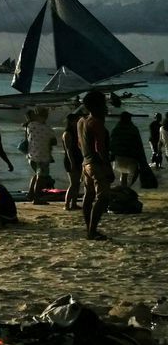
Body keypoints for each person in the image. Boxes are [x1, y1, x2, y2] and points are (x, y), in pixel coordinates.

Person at [78, 89, 113, 241]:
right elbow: (100, 148)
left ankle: (89, 229)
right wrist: (108, 168)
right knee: (103, 197)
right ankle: (92, 231)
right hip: (96, 165)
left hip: (85, 163)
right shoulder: (97, 122)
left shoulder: (82, 121)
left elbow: (80, 144)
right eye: (104, 104)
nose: (106, 107)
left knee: (89, 195)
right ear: (97, 106)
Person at [25, 107, 57, 203]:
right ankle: (36, 198)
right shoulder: (47, 129)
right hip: (43, 156)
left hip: (31, 155)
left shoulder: (30, 126)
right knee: (41, 178)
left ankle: (30, 194)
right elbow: (54, 141)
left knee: (36, 175)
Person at [108, 111, 144, 188]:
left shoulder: (116, 129)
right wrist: (140, 157)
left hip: (119, 157)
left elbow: (112, 143)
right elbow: (138, 144)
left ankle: (123, 187)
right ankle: (127, 188)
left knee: (123, 173)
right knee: (135, 173)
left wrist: (112, 155)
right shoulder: (133, 129)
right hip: (130, 156)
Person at [60, 111, 83, 211]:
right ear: (71, 122)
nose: (78, 122)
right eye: (76, 121)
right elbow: (68, 149)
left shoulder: (77, 132)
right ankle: (66, 204)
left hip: (78, 158)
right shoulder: (67, 134)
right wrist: (72, 162)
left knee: (78, 183)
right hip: (71, 159)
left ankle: (74, 203)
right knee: (73, 183)